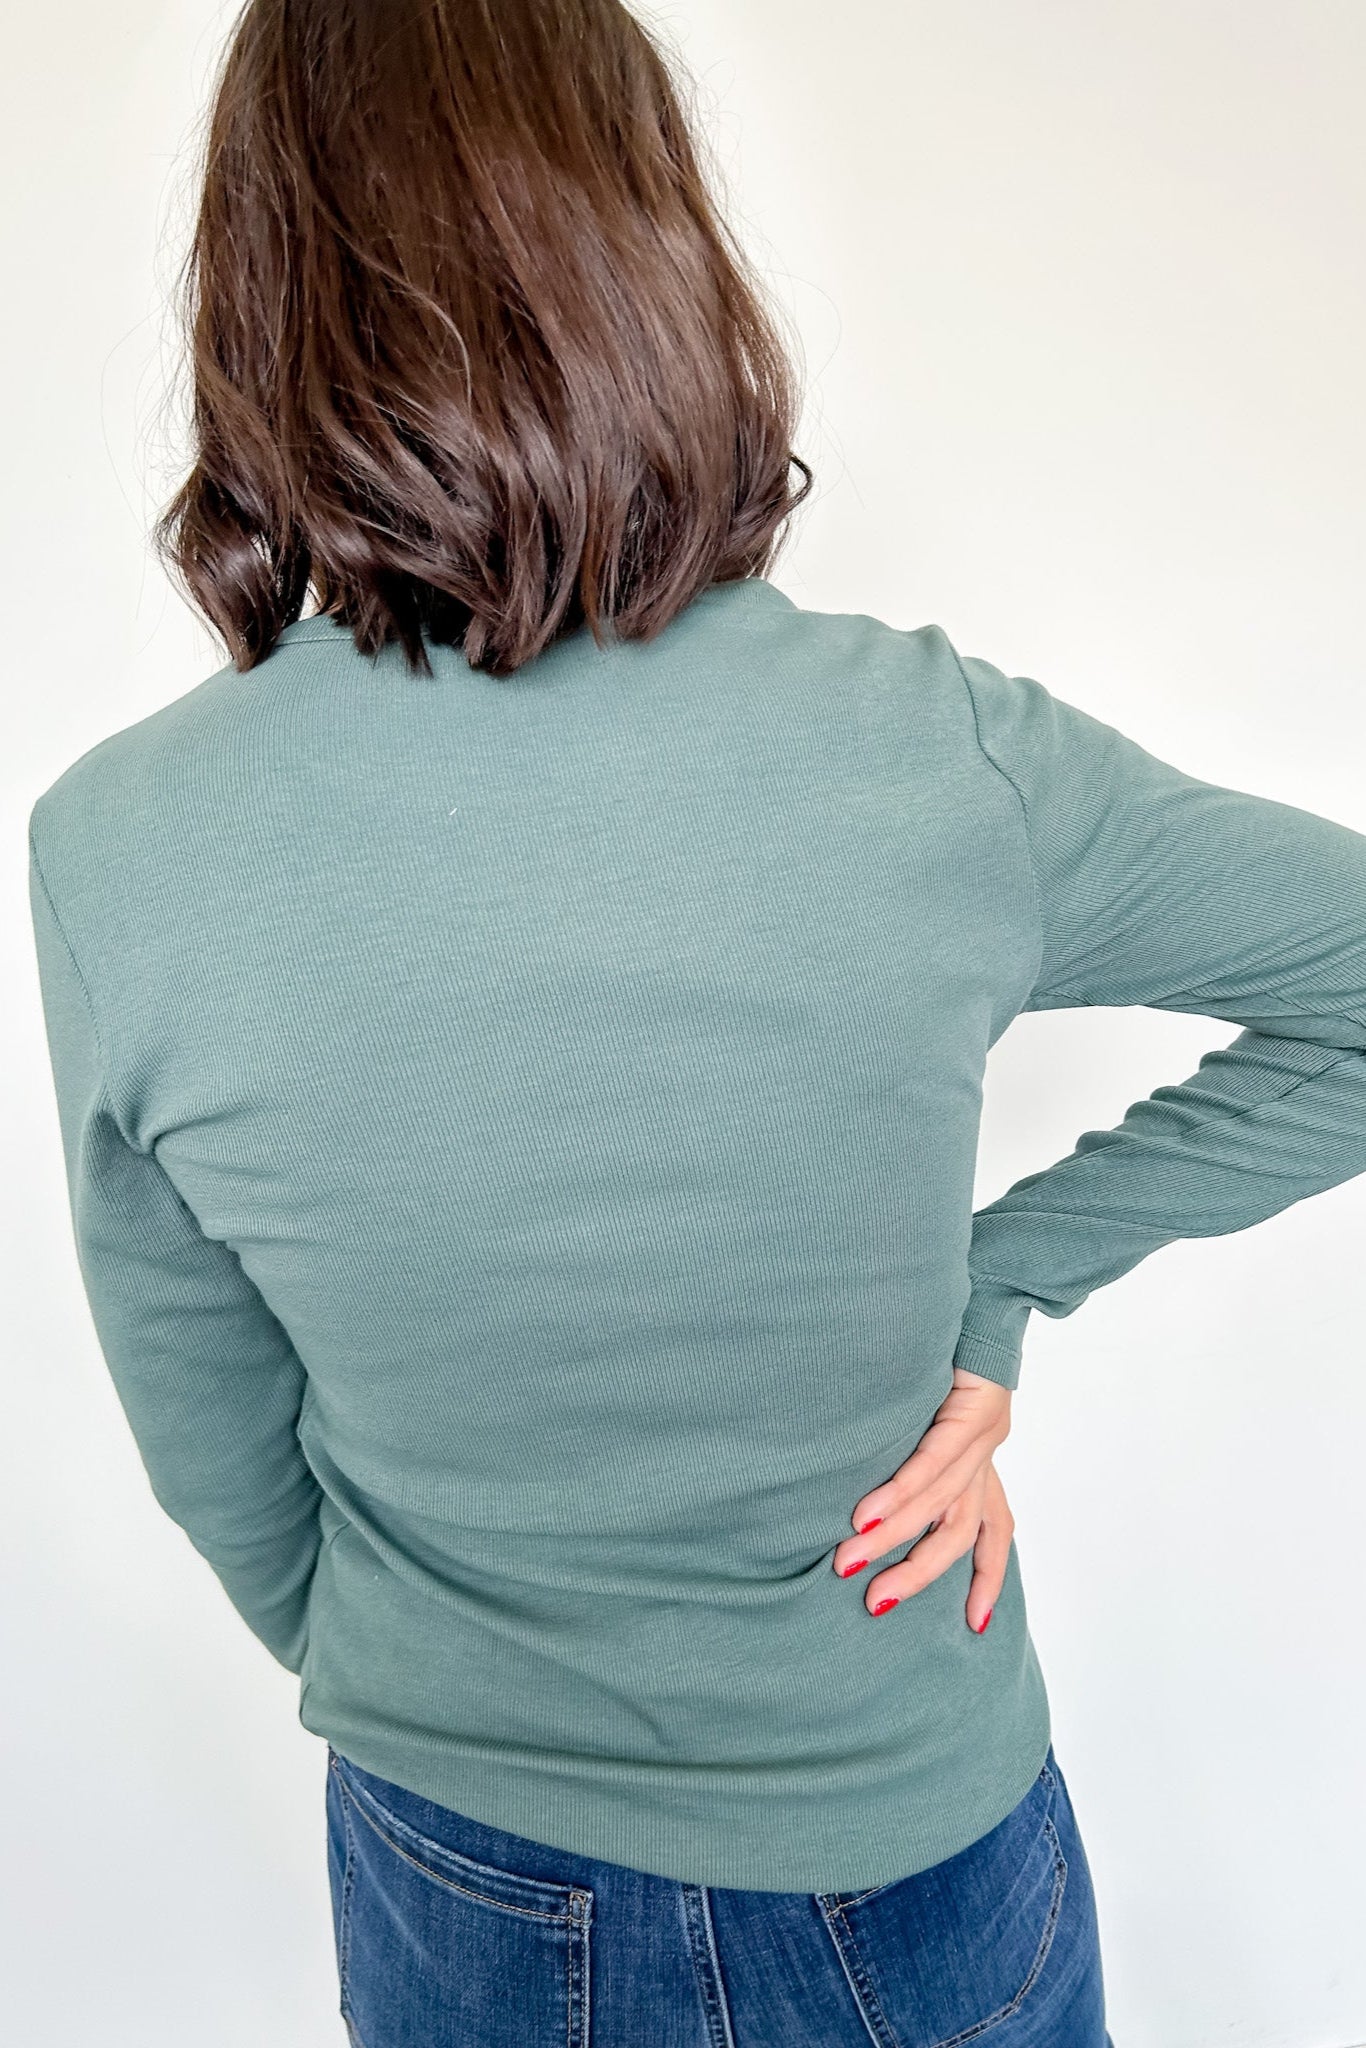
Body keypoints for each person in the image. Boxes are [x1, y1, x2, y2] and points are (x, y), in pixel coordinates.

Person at [26, 2, 1366, 2042]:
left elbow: (206, 1433)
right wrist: (994, 1294)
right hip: (910, 1836)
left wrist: (442, 1669)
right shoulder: (939, 763)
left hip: (452, 1850)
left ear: (267, 298)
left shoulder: (118, 850)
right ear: (647, 252)